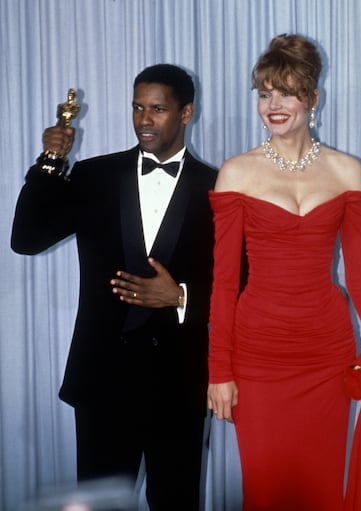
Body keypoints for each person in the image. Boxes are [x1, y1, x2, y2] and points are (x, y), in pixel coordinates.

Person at [11, 64, 217, 511]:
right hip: (102, 381)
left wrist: (180, 296)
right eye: (138, 108)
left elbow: (242, 288)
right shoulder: (93, 176)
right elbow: (25, 240)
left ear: (186, 113)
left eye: (158, 109)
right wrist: (50, 163)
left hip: (180, 386)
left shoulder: (219, 188)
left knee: (176, 502)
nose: (145, 119)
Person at [207, 34, 361, 511]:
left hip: (327, 354)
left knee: (325, 487)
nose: (274, 104)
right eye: (265, 93)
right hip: (259, 357)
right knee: (268, 489)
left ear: (312, 98)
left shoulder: (348, 171)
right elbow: (225, 282)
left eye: (287, 91)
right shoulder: (236, 173)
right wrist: (219, 369)